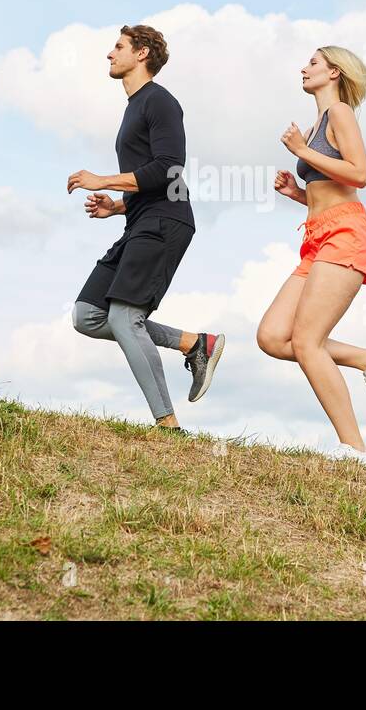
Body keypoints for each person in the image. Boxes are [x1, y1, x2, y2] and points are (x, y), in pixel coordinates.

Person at [68, 25, 224, 429]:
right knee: (88, 315)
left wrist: (103, 180)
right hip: (141, 219)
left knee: (123, 318)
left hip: (166, 222)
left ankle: (167, 426)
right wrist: (119, 206)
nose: (109, 54)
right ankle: (194, 344)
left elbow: (168, 169)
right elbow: (149, 178)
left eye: (118, 47)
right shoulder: (133, 106)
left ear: (141, 54)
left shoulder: (160, 101)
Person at [257, 46, 366, 462]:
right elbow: (328, 189)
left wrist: (302, 151)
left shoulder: (340, 114)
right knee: (271, 336)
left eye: (314, 63)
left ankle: (355, 448)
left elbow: (360, 174)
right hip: (318, 235)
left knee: (306, 341)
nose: (304, 67)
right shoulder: (318, 121)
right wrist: (297, 194)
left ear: (334, 72)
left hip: (346, 233)